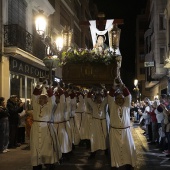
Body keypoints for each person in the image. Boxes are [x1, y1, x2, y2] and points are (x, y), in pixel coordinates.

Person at [30, 83, 61, 170]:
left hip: (46, 130)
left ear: (47, 100)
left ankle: (49, 164)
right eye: (40, 98)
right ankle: (37, 165)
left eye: (43, 98)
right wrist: (39, 86)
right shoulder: (36, 106)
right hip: (36, 129)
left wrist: (48, 88)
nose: (40, 99)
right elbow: (34, 95)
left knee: (47, 147)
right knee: (35, 147)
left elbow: (52, 98)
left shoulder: (50, 106)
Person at [108, 77, 136, 170]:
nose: (120, 99)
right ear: (115, 99)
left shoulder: (126, 106)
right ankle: (115, 164)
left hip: (125, 132)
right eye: (118, 98)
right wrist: (114, 87)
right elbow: (110, 96)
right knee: (115, 149)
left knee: (127, 148)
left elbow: (128, 96)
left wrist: (123, 85)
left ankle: (128, 163)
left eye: (121, 98)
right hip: (115, 132)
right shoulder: (112, 106)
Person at [86, 88, 109, 159]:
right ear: (95, 99)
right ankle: (93, 152)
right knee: (94, 137)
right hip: (95, 123)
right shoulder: (93, 104)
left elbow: (107, 97)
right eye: (98, 98)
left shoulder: (104, 104)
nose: (99, 99)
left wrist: (105, 90)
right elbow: (88, 98)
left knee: (105, 136)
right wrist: (90, 91)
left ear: (102, 98)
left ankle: (106, 150)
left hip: (103, 122)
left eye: (100, 98)